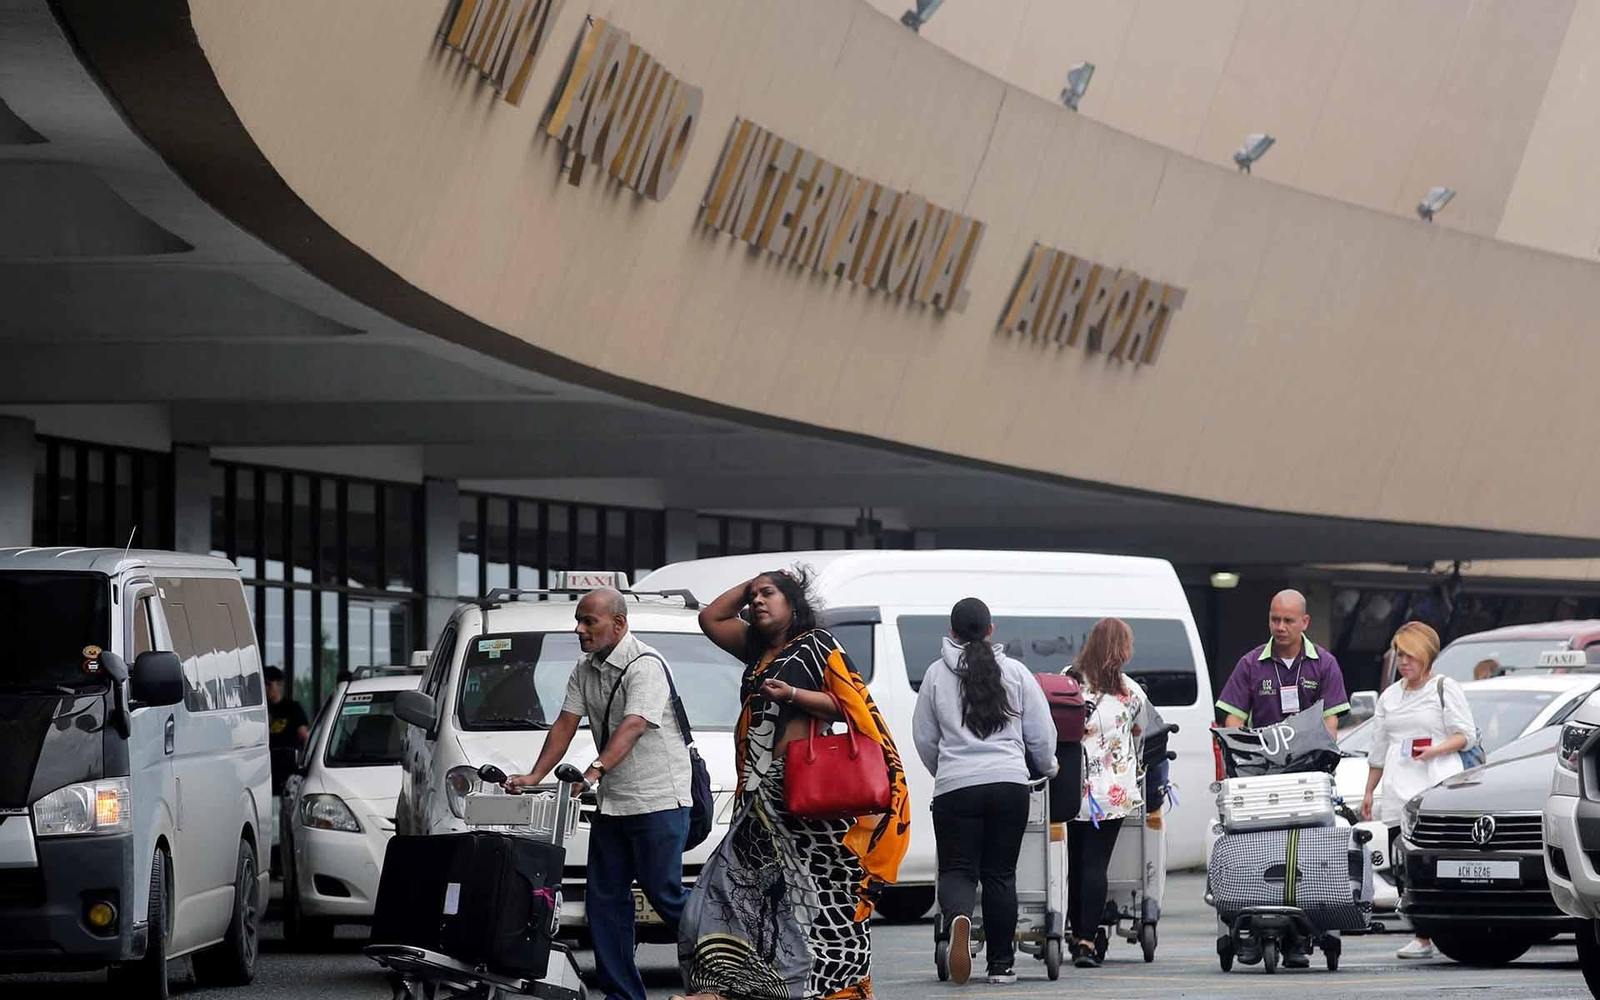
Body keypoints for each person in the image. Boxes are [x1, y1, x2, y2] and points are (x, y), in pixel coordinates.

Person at [677, 569, 910, 1000]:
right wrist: (754, 582)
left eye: (769, 594)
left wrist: (792, 696)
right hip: (758, 795)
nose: (756, 601)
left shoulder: (818, 645)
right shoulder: (757, 650)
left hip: (806, 796)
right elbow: (711, 618)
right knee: (739, 892)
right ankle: (736, 987)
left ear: (793, 601)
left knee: (825, 895)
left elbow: (850, 706)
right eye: (753, 597)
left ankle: (841, 989)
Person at [504, 588, 692, 1000]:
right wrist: (535, 775)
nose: (579, 629)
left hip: (657, 799)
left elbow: (634, 725)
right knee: (604, 902)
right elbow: (565, 723)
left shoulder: (645, 665)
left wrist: (591, 773)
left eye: (589, 621)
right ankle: (622, 995)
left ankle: (736, 947)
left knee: (665, 895)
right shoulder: (585, 667)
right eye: (578, 620)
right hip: (613, 802)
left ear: (619, 624)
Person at [912, 598, 1057, 986]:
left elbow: (924, 737)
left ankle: (959, 918)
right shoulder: (1016, 672)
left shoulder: (935, 675)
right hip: (1009, 785)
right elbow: (1041, 733)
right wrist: (1048, 767)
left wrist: (945, 772)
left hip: (956, 787)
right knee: (1000, 875)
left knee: (958, 870)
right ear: (991, 630)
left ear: (951, 630)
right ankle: (1001, 966)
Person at [1361, 621, 1475, 961]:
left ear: (1426, 655)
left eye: (1410, 655)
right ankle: (1421, 933)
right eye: (1400, 655)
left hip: (1437, 786)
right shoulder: (1389, 696)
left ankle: (1447, 928)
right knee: (1402, 863)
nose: (1403, 662)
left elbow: (1466, 735)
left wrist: (1434, 750)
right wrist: (1369, 791)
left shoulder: (1443, 688)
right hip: (1398, 789)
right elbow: (1378, 749)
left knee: (1437, 859)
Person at [1066, 618, 1148, 969]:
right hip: (1112, 793)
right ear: (1122, 650)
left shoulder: (1068, 680)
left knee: (1074, 863)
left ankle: (1074, 933)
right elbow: (1142, 736)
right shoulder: (1131, 692)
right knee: (1096, 865)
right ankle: (1087, 939)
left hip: (1073, 788)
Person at [1215, 589, 1350, 738]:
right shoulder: (1249, 664)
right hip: (1263, 751)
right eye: (1275, 620)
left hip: (1309, 752)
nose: (1280, 627)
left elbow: (1330, 722)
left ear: (1305, 622)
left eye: (1288, 621)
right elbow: (1234, 720)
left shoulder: (1325, 664)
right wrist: (1244, 748)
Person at [265, 666, 310, 795]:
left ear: (279, 684)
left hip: (287, 765)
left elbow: (303, 735)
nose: (266, 689)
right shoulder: (263, 709)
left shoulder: (292, 707)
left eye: (269, 685)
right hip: (267, 764)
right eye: (264, 685)